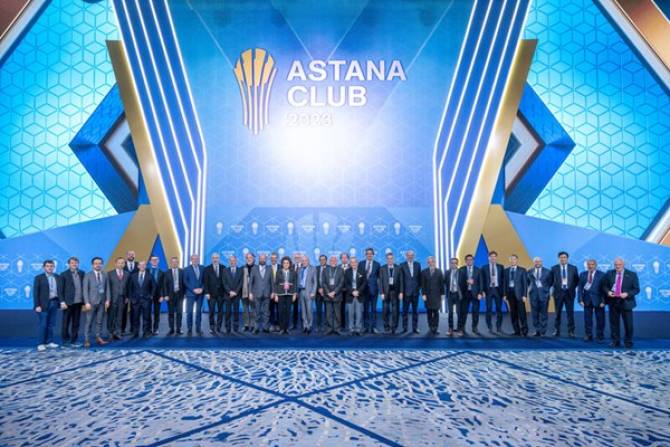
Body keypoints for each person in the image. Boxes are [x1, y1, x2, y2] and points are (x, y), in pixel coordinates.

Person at [601, 257, 639, 348]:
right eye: (616, 265)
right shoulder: (609, 273)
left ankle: (628, 342)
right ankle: (615, 341)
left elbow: (636, 289)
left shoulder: (632, 274)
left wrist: (627, 294)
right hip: (613, 302)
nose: (617, 266)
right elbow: (604, 286)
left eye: (619, 265)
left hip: (626, 302)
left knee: (628, 324)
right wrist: (608, 292)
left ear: (623, 265)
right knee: (614, 324)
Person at [33, 260, 62, 351]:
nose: (50, 267)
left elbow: (60, 291)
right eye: (48, 266)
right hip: (43, 305)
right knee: (43, 324)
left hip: (54, 302)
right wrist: (37, 305)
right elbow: (35, 292)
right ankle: (41, 343)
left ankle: (49, 342)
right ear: (44, 267)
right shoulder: (39, 278)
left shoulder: (57, 277)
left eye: (51, 266)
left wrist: (61, 302)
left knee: (51, 324)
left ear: (54, 267)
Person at [83, 257, 111, 348]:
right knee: (89, 322)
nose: (98, 265)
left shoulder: (105, 274)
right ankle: (87, 340)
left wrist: (108, 299)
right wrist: (86, 302)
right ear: (92, 265)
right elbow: (85, 290)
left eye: (99, 263)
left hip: (102, 302)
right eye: (96, 263)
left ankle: (98, 338)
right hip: (91, 303)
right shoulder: (88, 275)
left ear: (102, 264)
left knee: (99, 321)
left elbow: (107, 288)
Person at [551, 251, 579, 337]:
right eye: (561, 257)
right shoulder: (554, 268)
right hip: (558, 294)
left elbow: (576, 280)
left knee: (570, 313)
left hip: (569, 294)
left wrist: (571, 288)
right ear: (558, 259)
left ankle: (571, 331)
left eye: (564, 257)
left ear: (567, 258)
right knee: (557, 313)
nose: (563, 259)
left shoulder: (573, 268)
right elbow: (551, 281)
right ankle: (557, 330)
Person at [59, 256, 85, 347]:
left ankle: (74, 340)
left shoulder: (82, 273)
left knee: (76, 323)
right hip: (67, 303)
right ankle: (65, 340)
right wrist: (62, 302)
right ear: (69, 264)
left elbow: (84, 288)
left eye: (76, 263)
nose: (74, 264)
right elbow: (60, 290)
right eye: (72, 263)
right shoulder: (63, 274)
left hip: (78, 302)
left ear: (78, 264)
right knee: (66, 322)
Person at [578, 259, 605, 341]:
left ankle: (600, 336)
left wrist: (604, 301)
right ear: (587, 265)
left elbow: (604, 289)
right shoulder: (583, 274)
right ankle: (588, 335)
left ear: (595, 265)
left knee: (600, 320)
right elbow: (580, 288)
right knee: (587, 319)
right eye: (589, 264)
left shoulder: (602, 274)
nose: (590, 266)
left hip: (599, 301)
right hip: (587, 300)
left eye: (592, 264)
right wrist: (580, 299)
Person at [479, 250, 504, 334]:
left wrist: (504, 293)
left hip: (498, 290)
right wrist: (482, 291)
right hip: (488, 291)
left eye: (494, 256)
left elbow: (503, 280)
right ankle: (489, 327)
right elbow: (481, 281)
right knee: (488, 309)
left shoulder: (501, 267)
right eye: (491, 257)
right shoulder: (484, 268)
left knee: (499, 310)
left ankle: (499, 327)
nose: (493, 258)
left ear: (496, 258)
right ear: (488, 258)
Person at [127, 260, 154, 339]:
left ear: (145, 266)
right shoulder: (133, 276)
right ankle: (135, 333)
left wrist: (151, 296)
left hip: (146, 300)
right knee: (135, 317)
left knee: (146, 317)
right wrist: (131, 298)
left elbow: (154, 287)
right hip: (135, 301)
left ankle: (146, 333)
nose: (142, 266)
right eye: (140, 265)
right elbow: (129, 288)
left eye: (144, 265)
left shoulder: (150, 275)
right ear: (138, 266)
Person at [503, 255, 528, 336]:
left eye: (514, 259)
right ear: (509, 260)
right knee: (513, 313)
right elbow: (504, 283)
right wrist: (504, 294)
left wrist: (524, 295)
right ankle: (516, 331)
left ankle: (524, 330)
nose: (513, 260)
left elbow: (525, 283)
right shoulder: (506, 271)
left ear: (517, 260)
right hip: (510, 294)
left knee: (522, 313)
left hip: (520, 295)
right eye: (511, 259)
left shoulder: (522, 270)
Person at [379, 252, 403, 334]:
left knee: (395, 311)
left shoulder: (398, 268)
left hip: (395, 292)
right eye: (388, 259)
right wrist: (381, 293)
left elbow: (401, 281)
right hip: (385, 293)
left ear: (393, 259)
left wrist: (401, 292)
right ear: (386, 259)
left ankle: (394, 327)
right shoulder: (382, 268)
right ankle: (386, 326)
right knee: (385, 310)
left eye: (391, 258)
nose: (390, 260)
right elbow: (380, 282)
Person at [272, 256, 297, 334]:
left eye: (287, 263)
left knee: (288, 311)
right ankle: (281, 328)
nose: (286, 264)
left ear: (289, 264)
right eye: (284, 263)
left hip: (290, 294)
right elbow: (276, 284)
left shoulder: (293, 272)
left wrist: (294, 294)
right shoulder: (278, 272)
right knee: (280, 311)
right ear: (282, 264)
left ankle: (286, 328)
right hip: (280, 294)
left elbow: (295, 283)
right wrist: (276, 294)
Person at [527, 257, 552, 337]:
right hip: (533, 295)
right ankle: (537, 330)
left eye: (539, 261)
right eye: (536, 261)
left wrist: (545, 289)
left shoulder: (548, 271)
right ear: (534, 262)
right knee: (534, 314)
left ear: (541, 262)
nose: (537, 263)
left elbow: (550, 282)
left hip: (544, 295)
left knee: (543, 314)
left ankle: (543, 331)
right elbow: (528, 282)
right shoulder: (529, 271)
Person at [249, 253, 273, 333]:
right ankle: (256, 328)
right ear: (258, 259)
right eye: (261, 258)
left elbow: (272, 282)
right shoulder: (254, 268)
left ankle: (265, 327)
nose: (262, 260)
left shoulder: (269, 268)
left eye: (264, 258)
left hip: (267, 293)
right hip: (256, 293)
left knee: (266, 312)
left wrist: (273, 292)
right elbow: (251, 282)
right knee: (257, 312)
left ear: (266, 259)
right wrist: (250, 293)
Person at [344, 256, 367, 335]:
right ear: (350, 263)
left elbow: (364, 283)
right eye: (352, 262)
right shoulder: (347, 271)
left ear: (357, 263)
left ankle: (358, 329)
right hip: (350, 295)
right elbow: (346, 283)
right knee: (350, 314)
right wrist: (352, 292)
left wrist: (358, 291)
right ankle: (351, 329)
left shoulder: (362, 271)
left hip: (359, 295)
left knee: (359, 313)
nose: (353, 263)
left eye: (355, 262)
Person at [107, 257, 128, 340]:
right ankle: (110, 332)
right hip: (112, 298)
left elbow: (128, 287)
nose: (121, 264)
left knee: (120, 316)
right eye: (119, 263)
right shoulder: (109, 274)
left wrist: (127, 297)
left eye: (122, 263)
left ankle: (117, 333)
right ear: (115, 263)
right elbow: (107, 287)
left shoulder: (127, 274)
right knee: (111, 316)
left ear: (124, 264)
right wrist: (108, 299)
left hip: (122, 298)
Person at [322, 255, 345, 335]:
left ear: (337, 261)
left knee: (337, 313)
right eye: (331, 260)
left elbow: (341, 283)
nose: (333, 261)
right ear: (329, 261)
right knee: (328, 313)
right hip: (327, 295)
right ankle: (329, 328)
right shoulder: (325, 270)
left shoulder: (341, 270)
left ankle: (337, 328)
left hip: (337, 295)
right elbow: (323, 283)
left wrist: (334, 292)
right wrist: (328, 292)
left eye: (334, 260)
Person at [203, 253, 225, 334]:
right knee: (211, 311)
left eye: (217, 258)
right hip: (211, 294)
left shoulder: (223, 268)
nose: (215, 259)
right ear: (211, 259)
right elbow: (205, 282)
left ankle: (219, 327)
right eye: (214, 258)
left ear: (219, 258)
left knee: (220, 311)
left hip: (221, 294)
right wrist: (207, 293)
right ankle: (212, 327)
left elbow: (225, 281)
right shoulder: (207, 269)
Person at [360, 248, 381, 334]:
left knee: (373, 309)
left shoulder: (377, 264)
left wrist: (380, 290)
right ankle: (365, 327)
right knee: (365, 309)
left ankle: (374, 327)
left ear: (373, 254)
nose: (369, 255)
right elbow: (359, 277)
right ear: (365, 255)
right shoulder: (361, 263)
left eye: (370, 253)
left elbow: (379, 278)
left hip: (374, 290)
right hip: (364, 290)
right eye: (367, 253)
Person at [421, 256, 444, 335]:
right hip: (427, 296)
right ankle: (430, 327)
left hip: (437, 296)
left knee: (436, 312)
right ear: (427, 263)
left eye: (432, 261)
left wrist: (442, 294)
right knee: (429, 312)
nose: (431, 263)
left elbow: (441, 284)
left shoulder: (439, 271)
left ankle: (435, 327)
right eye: (429, 262)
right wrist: (423, 294)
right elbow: (423, 285)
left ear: (435, 262)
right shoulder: (424, 272)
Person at [400, 250, 421, 334]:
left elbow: (419, 278)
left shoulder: (417, 264)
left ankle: (415, 328)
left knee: (415, 311)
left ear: (413, 256)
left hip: (415, 292)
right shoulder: (402, 265)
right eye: (408, 255)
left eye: (412, 255)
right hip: (406, 293)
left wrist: (418, 288)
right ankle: (405, 328)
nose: (410, 257)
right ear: (406, 256)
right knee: (405, 311)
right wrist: (401, 292)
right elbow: (401, 280)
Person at [458, 254, 480, 335]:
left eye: (471, 259)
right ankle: (462, 327)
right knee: (463, 312)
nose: (469, 261)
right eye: (468, 260)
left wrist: (480, 293)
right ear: (465, 261)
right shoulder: (461, 269)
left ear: (473, 260)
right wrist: (466, 281)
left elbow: (481, 282)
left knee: (475, 311)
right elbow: (459, 282)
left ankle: (475, 327)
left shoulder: (478, 270)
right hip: (465, 294)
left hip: (475, 294)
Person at [183, 254, 204, 336]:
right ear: (191, 260)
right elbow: (185, 281)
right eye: (193, 259)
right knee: (189, 312)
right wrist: (193, 290)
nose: (195, 260)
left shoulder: (202, 268)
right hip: (190, 294)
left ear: (199, 259)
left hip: (200, 294)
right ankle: (189, 329)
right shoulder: (186, 269)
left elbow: (205, 280)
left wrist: (202, 289)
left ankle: (198, 328)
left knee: (199, 312)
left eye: (197, 259)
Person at [222, 255, 244, 333]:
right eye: (231, 260)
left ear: (236, 261)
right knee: (227, 312)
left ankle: (236, 328)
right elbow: (224, 282)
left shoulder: (240, 270)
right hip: (227, 295)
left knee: (236, 312)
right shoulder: (225, 270)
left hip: (237, 295)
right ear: (229, 261)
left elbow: (241, 282)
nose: (232, 262)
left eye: (233, 260)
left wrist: (235, 292)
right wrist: (229, 292)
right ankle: (228, 328)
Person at [164, 256, 184, 335]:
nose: (174, 263)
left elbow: (184, 283)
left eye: (176, 262)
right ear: (171, 263)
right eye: (173, 262)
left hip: (180, 295)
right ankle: (171, 329)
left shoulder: (182, 272)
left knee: (179, 313)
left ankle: (178, 329)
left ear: (178, 263)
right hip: (170, 296)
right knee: (171, 313)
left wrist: (185, 294)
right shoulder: (167, 272)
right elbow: (164, 285)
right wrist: (165, 295)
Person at [298, 254, 317, 333]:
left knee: (309, 310)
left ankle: (309, 325)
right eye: (303, 261)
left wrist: (313, 292)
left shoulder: (313, 268)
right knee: (303, 311)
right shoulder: (300, 269)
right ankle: (305, 326)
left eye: (306, 260)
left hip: (309, 292)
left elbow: (315, 282)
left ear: (308, 261)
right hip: (301, 291)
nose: (304, 262)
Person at [147, 256, 165, 335]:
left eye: (156, 259)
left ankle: (156, 328)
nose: (154, 261)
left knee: (157, 313)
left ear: (158, 261)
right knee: (147, 313)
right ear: (150, 261)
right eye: (153, 260)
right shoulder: (146, 270)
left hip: (158, 295)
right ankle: (149, 328)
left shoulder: (162, 272)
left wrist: (162, 295)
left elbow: (163, 285)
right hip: (148, 294)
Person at [122, 250, 138, 335]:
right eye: (129, 254)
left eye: (133, 254)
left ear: (134, 255)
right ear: (126, 256)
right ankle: (122, 329)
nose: (131, 256)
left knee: (134, 312)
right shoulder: (122, 264)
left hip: (135, 292)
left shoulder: (138, 265)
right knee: (123, 311)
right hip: (124, 292)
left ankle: (133, 329)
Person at [445, 257, 461, 336]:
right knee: (450, 313)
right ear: (450, 264)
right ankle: (450, 328)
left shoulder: (461, 272)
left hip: (458, 295)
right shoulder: (447, 272)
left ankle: (459, 329)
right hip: (450, 294)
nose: (453, 264)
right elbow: (444, 282)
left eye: (455, 263)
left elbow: (464, 284)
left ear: (457, 264)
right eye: (452, 263)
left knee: (459, 313)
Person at [241, 252, 256, 332]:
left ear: (253, 258)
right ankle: (246, 325)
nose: (249, 259)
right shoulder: (242, 268)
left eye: (250, 257)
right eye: (247, 258)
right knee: (245, 309)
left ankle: (253, 325)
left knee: (253, 310)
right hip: (244, 292)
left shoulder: (257, 268)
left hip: (254, 293)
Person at [315, 254, 328, 333]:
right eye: (321, 260)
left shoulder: (329, 268)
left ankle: (326, 325)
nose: (322, 261)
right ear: (319, 261)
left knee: (328, 310)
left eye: (324, 259)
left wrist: (324, 290)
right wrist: (318, 289)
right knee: (318, 310)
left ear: (326, 260)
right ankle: (318, 325)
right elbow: (314, 280)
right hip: (318, 293)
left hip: (327, 293)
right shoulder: (316, 268)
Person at [292, 253, 303, 330]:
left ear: (301, 258)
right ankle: (294, 324)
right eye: (296, 257)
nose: (297, 258)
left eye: (298, 257)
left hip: (302, 290)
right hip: (293, 291)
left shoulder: (304, 266)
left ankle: (303, 324)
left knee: (303, 308)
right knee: (295, 308)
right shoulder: (291, 266)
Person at [268, 253, 280, 332]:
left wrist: (277, 293)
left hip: (279, 293)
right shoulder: (267, 268)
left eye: (275, 258)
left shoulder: (281, 267)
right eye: (272, 258)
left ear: (277, 259)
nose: (273, 259)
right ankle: (272, 324)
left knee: (279, 310)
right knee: (270, 309)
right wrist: (272, 292)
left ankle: (278, 324)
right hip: (270, 293)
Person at [339, 252, 350, 330]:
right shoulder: (337, 267)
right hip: (340, 291)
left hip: (350, 291)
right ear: (340, 259)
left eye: (345, 258)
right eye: (342, 258)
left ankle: (351, 325)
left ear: (348, 259)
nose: (344, 259)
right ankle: (342, 325)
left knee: (351, 309)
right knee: (341, 309)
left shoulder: (352, 266)